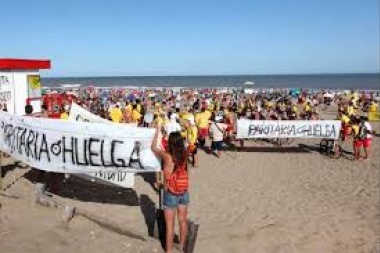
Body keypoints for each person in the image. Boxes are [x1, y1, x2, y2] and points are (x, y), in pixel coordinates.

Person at [151, 130, 189, 253]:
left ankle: (169, 250)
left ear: (171, 142)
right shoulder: (184, 154)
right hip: (183, 191)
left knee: (170, 225)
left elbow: (153, 148)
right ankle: (181, 245)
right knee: (183, 221)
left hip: (171, 193)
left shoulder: (167, 156)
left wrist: (156, 133)